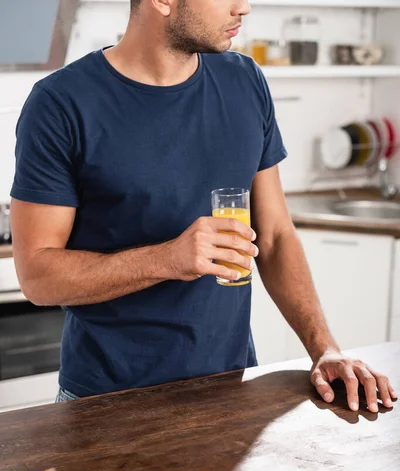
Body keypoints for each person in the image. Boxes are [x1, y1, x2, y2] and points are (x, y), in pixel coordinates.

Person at [10, 0, 396, 412]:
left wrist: (325, 349)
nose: (243, 7)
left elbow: (275, 235)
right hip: (105, 404)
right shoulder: (61, 104)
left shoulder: (245, 81)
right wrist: (168, 258)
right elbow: (36, 275)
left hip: (230, 391)